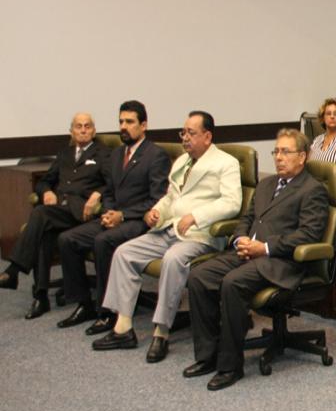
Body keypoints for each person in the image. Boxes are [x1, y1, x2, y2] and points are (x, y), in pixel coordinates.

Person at [91, 111, 242, 362]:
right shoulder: (182, 160)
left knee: (172, 259)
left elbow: (232, 203)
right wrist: (157, 212)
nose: (185, 138)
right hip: (169, 229)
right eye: (183, 132)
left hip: (200, 235)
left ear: (207, 136)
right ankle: (123, 328)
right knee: (124, 253)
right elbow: (171, 197)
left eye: (191, 133)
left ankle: (161, 332)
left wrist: (196, 216)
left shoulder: (226, 163)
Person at [185, 129, 329, 391]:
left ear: (302, 157)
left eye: (286, 152)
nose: (279, 157)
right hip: (247, 252)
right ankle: (208, 356)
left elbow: (308, 234)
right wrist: (240, 240)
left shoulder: (312, 189)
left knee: (232, 283)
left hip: (279, 261)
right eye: (276, 151)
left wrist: (264, 248)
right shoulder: (266, 184)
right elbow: (247, 219)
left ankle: (230, 367)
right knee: (198, 276)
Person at [56, 101, 171, 332]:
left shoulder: (155, 155)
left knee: (103, 241)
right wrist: (109, 212)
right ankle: (84, 303)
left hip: (139, 221)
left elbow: (157, 199)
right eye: (121, 121)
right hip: (114, 217)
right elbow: (108, 190)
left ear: (143, 125)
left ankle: (108, 312)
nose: (123, 127)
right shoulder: (117, 153)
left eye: (130, 122)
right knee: (67, 239)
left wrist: (123, 215)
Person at [0, 113, 109, 319]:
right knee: (44, 234)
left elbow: (113, 182)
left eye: (87, 126)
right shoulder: (64, 154)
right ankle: (41, 297)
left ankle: (14, 270)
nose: (83, 130)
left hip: (81, 212)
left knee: (40, 213)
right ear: (71, 132)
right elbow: (44, 181)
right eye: (78, 126)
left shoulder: (103, 153)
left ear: (94, 131)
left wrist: (97, 194)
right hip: (59, 210)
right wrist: (47, 192)